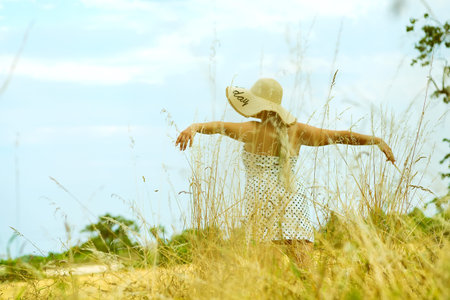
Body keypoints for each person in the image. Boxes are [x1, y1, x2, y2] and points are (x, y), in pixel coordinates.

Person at [175, 78, 395, 267]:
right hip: (293, 198)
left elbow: (216, 126)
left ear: (258, 105)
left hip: (261, 200)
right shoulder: (297, 130)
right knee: (305, 270)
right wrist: (375, 141)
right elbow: (339, 135)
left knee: (270, 275)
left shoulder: (251, 129)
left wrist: (192, 127)